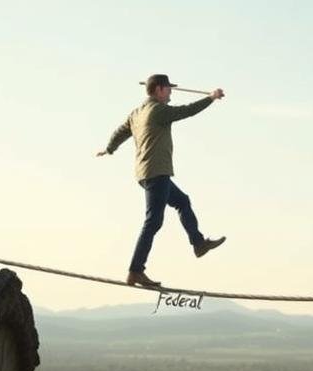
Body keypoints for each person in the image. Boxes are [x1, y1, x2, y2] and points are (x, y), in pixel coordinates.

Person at [97, 74, 227, 287]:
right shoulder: (158, 111)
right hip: (157, 173)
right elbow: (186, 111)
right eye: (168, 89)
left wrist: (110, 149)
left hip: (146, 174)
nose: (171, 92)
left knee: (182, 201)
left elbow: (121, 132)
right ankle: (135, 271)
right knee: (153, 222)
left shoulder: (137, 113)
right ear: (158, 90)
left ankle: (198, 244)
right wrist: (211, 98)